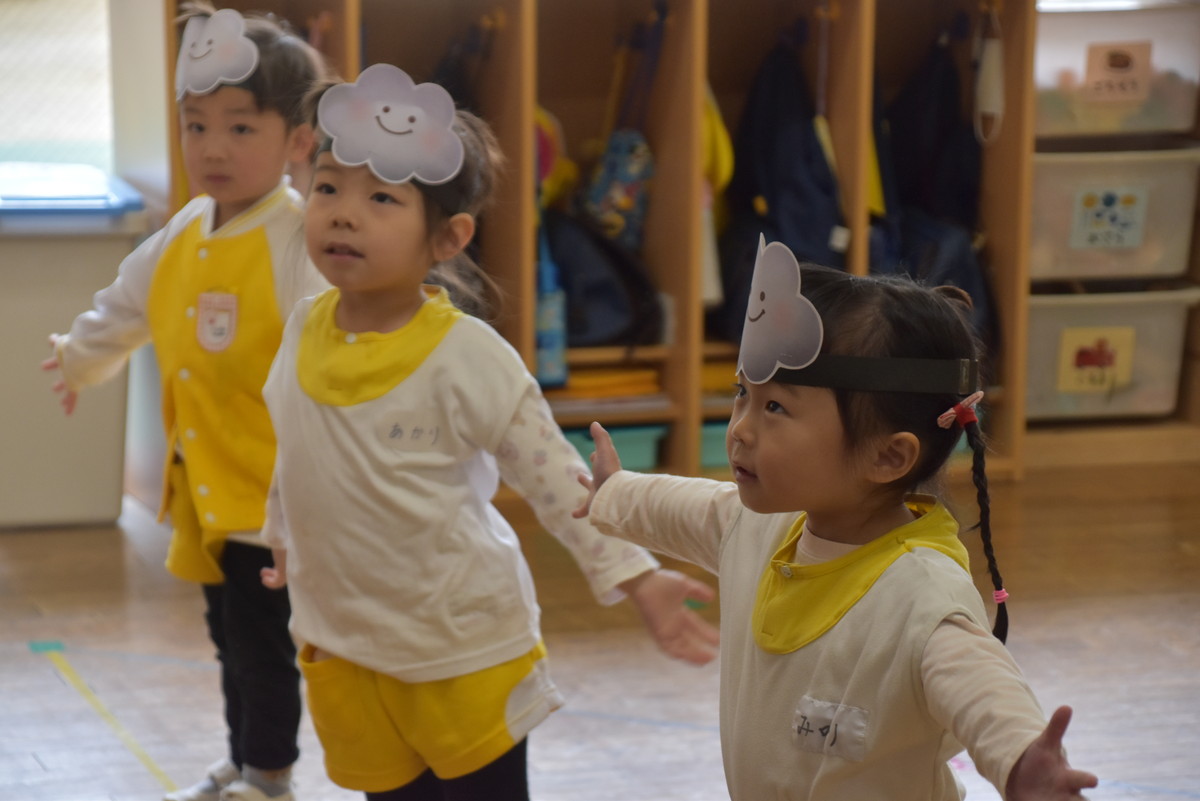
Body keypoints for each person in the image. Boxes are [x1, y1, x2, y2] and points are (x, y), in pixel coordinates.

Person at [256, 64, 720, 801]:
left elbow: (556, 476)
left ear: (448, 236)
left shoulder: (466, 356)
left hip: (463, 649)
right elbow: (299, 444)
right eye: (328, 188)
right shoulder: (304, 326)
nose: (343, 214)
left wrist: (637, 576)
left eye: (381, 198)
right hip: (343, 644)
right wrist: (281, 530)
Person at [573, 237, 1100, 799]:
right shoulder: (760, 527)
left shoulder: (919, 595)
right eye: (742, 393)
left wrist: (1021, 762)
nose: (741, 428)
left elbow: (979, 684)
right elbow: (687, 509)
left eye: (776, 407)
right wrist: (617, 492)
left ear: (887, 456)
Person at [41, 6, 329, 801]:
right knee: (227, 637)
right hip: (205, 492)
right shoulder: (183, 231)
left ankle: (269, 774)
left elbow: (330, 354)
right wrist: (80, 358)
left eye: (240, 128)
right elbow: (124, 304)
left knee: (263, 646)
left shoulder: (298, 239)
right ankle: (242, 759)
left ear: (297, 141)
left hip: (273, 500)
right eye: (196, 126)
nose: (212, 147)